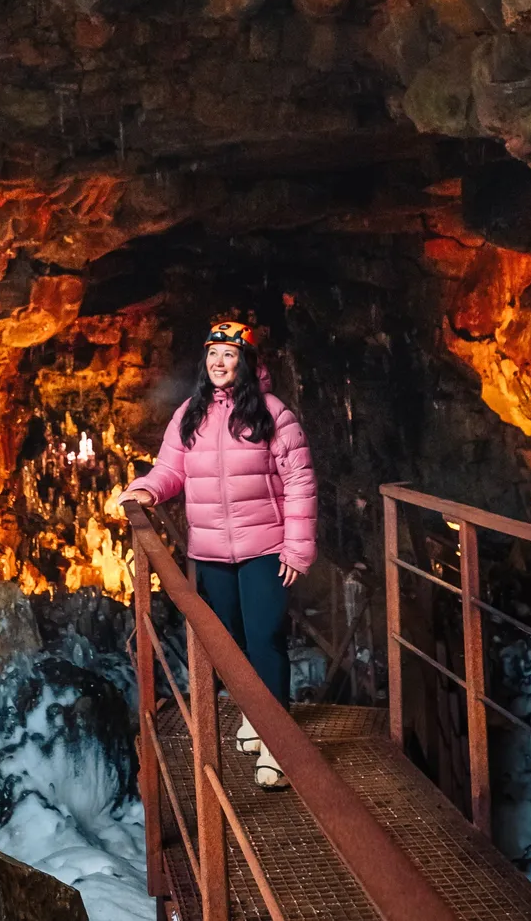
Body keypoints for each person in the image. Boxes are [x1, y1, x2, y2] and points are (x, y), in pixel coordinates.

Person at [119, 320, 317, 789]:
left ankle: (278, 744)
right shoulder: (191, 413)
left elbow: (300, 482)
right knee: (230, 642)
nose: (219, 363)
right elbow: (170, 469)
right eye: (212, 354)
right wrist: (146, 490)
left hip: (264, 547)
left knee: (265, 639)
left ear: (246, 362)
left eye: (228, 354)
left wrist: (297, 546)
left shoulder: (273, 414)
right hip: (210, 551)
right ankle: (254, 713)